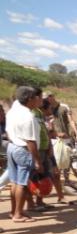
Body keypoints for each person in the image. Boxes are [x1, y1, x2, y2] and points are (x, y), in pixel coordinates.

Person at [6, 86, 42, 223]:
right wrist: (37, 161)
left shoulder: (13, 110)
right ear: (29, 99)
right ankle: (18, 214)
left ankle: (14, 210)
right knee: (22, 184)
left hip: (12, 146)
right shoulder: (28, 117)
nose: (37, 100)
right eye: (35, 97)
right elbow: (31, 141)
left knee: (14, 182)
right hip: (23, 149)